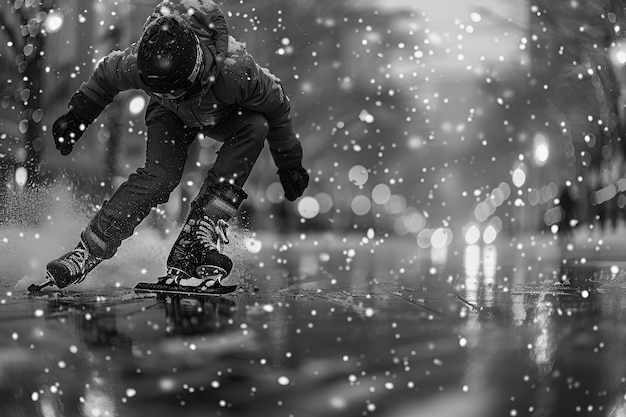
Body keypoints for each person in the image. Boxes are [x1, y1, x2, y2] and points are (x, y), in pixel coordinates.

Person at [44, 0, 309, 291]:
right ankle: (87, 250)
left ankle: (200, 232)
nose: (176, 96)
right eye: (161, 89)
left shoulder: (237, 71)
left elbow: (278, 107)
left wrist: (289, 162)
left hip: (222, 115)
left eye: (178, 90)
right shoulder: (137, 63)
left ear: (198, 70)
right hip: (167, 115)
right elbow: (106, 74)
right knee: (160, 178)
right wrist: (77, 116)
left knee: (257, 125)